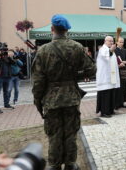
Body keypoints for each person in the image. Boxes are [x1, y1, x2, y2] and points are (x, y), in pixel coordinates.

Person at [32, 14, 96, 170]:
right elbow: (92, 70)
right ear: (67, 30)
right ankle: (70, 164)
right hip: (72, 98)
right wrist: (76, 75)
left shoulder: (43, 51)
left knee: (54, 134)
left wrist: (38, 101)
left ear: (52, 29)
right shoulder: (77, 47)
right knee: (70, 133)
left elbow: (38, 82)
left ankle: (54, 165)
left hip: (51, 99)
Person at [96, 36, 120, 118]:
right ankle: (104, 112)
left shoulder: (111, 50)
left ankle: (110, 110)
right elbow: (106, 57)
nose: (111, 42)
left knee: (111, 94)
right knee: (105, 95)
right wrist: (111, 50)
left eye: (112, 41)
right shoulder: (103, 49)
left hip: (111, 76)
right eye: (109, 41)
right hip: (104, 77)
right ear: (105, 41)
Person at [0, 49, 15, 114]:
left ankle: (6, 104)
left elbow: (14, 63)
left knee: (6, 92)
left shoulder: (7, 59)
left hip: (7, 77)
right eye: (3, 54)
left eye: (5, 53)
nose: (4, 55)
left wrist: (9, 57)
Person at [115, 37, 126, 109]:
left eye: (122, 42)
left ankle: (122, 102)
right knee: (117, 87)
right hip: (117, 70)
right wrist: (118, 64)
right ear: (117, 42)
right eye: (120, 42)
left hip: (123, 71)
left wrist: (125, 62)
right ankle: (116, 103)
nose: (121, 43)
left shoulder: (124, 50)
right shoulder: (114, 50)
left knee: (123, 86)